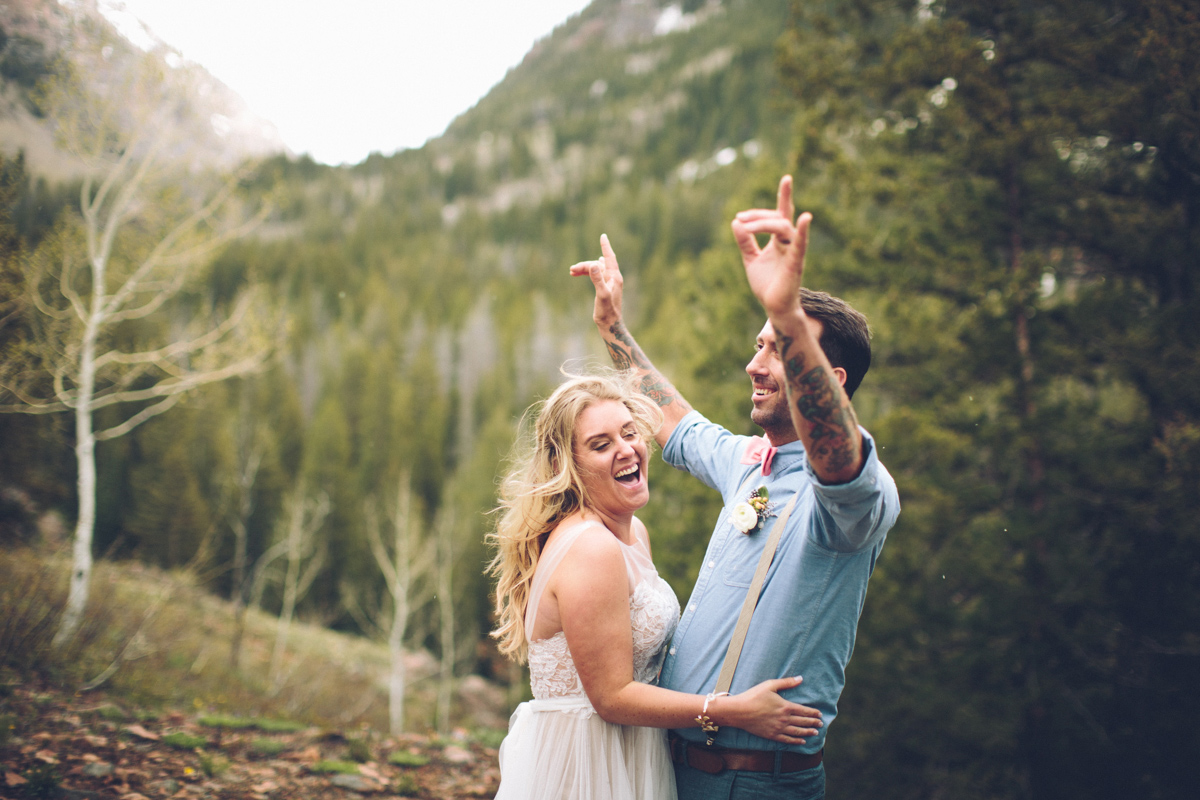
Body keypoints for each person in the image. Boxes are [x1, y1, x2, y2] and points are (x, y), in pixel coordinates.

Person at [568, 175, 900, 799]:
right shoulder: (747, 462)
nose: (754, 363)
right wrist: (613, 325)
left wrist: (787, 317)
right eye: (759, 346)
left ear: (827, 377)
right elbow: (671, 416)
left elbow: (837, 458)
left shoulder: (856, 496)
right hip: (669, 771)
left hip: (760, 787)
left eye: (776, 351)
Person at [488, 372, 825, 800]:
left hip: (633, 752)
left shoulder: (632, 533)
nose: (626, 450)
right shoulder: (592, 548)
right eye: (601, 444)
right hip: (588, 763)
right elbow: (611, 698)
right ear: (565, 465)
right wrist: (732, 711)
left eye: (629, 433)